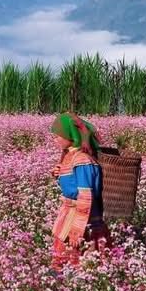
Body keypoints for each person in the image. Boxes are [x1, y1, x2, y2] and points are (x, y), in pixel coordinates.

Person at [49, 112, 111, 267]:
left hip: (82, 217)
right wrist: (58, 172)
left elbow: (86, 195)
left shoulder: (82, 160)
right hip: (69, 212)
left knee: (82, 256)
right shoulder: (70, 156)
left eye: (58, 136)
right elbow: (70, 181)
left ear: (71, 135)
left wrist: (77, 230)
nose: (54, 139)